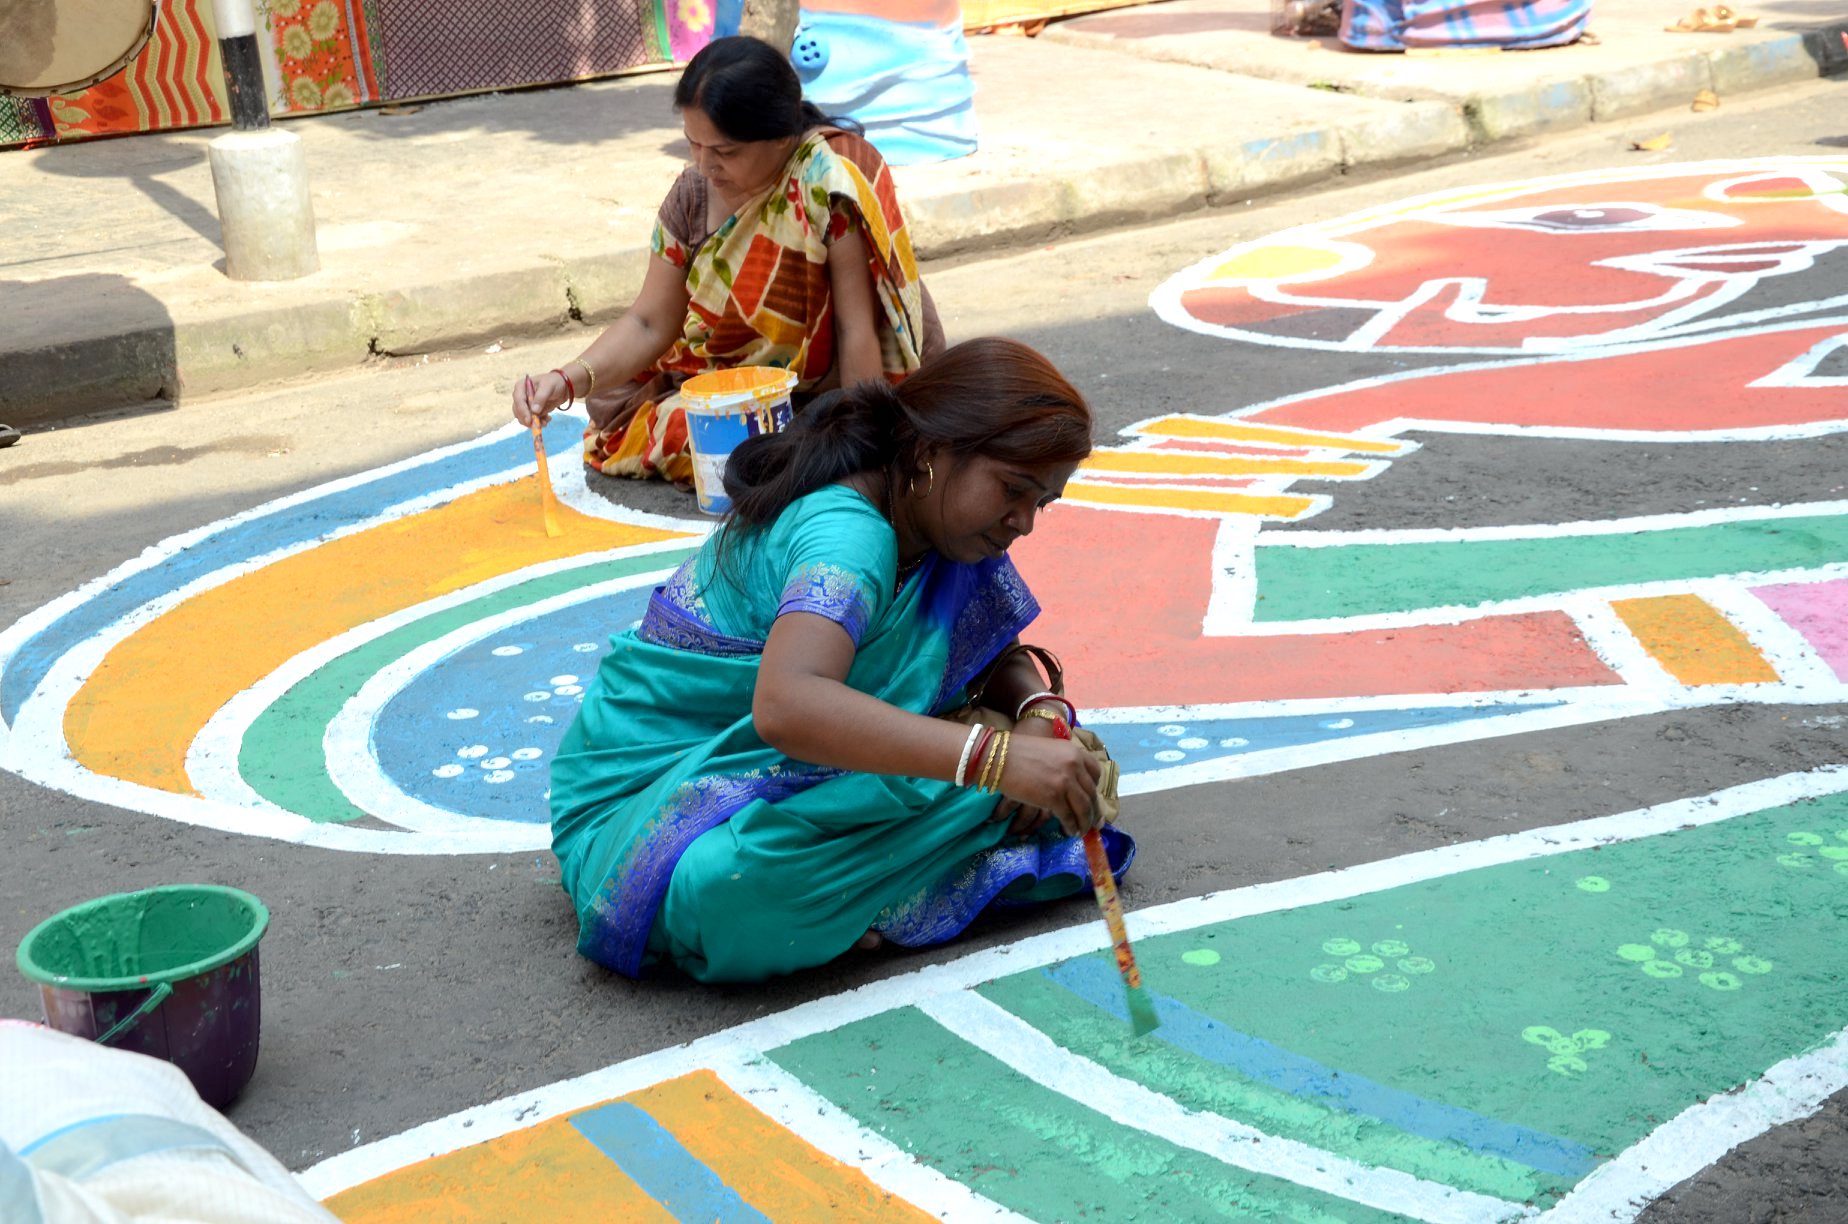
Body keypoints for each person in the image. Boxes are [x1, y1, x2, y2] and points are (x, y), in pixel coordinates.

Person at [550, 337, 1134, 983]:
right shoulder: (849, 535)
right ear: (936, 453)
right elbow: (786, 705)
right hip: (643, 805)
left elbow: (982, 640)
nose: (1024, 522)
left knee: (1058, 770)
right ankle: (918, 856)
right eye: (1013, 491)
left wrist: (1037, 710)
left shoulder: (936, 518)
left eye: (1041, 503)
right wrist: (997, 759)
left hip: (785, 771)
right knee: (729, 890)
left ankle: (868, 885)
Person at [512, 35, 943, 485]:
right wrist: (563, 381)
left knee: (794, 448)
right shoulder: (692, 198)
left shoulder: (826, 181)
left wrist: (860, 451)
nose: (703, 166)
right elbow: (648, 323)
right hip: (729, 391)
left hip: (830, 391)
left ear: (780, 137)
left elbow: (856, 330)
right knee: (688, 433)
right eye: (693, 145)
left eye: (724, 152)